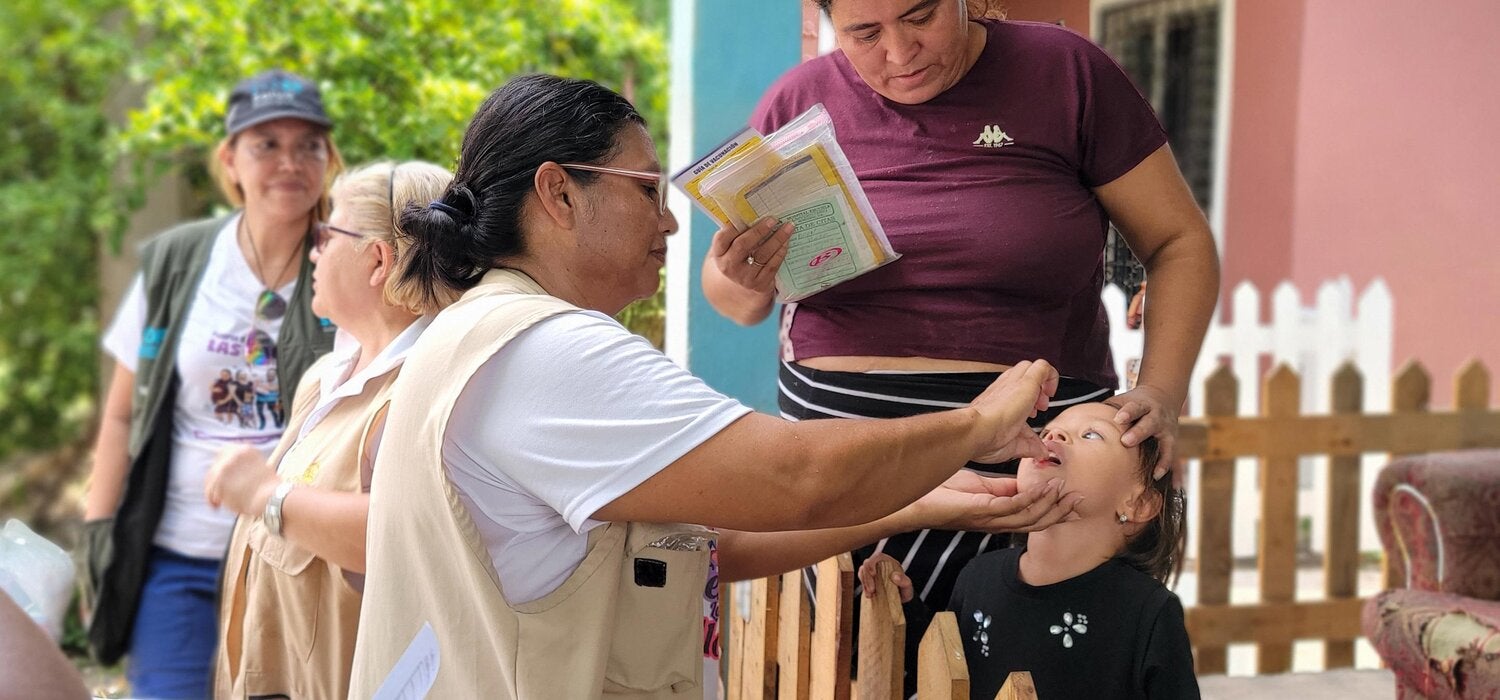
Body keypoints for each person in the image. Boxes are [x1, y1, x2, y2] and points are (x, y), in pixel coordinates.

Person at [348, 74, 1079, 699]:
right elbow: (797, 475)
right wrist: (978, 425)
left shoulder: (483, 333)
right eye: (647, 190)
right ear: (559, 194)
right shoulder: (547, 349)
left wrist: (914, 502)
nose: (668, 222)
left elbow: (702, 541)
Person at [701, 0, 1220, 616]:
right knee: (860, 658)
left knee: (1038, 660)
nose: (899, 53)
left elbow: (1179, 242)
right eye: (865, 33)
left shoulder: (1064, 72)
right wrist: (740, 275)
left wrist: (1161, 390)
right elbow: (737, 305)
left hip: (1040, 452)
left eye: (920, 17)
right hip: (851, 462)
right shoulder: (800, 101)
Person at [81, 69, 342, 697]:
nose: (290, 161)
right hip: (181, 561)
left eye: (309, 144)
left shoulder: (347, 260)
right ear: (229, 160)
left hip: (297, 564)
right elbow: (120, 417)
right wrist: (99, 543)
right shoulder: (178, 261)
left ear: (329, 159)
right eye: (267, 144)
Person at [204, 161, 452, 699]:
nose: (313, 253)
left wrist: (267, 495)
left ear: (377, 261)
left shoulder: (420, 387)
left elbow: (403, 536)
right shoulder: (325, 378)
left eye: (325, 236)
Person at [859, 401, 1198, 699]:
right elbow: (946, 671)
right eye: (1048, 431)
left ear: (1138, 504)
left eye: (1091, 435)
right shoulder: (979, 575)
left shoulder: (1148, 611)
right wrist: (905, 606)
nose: (1054, 437)